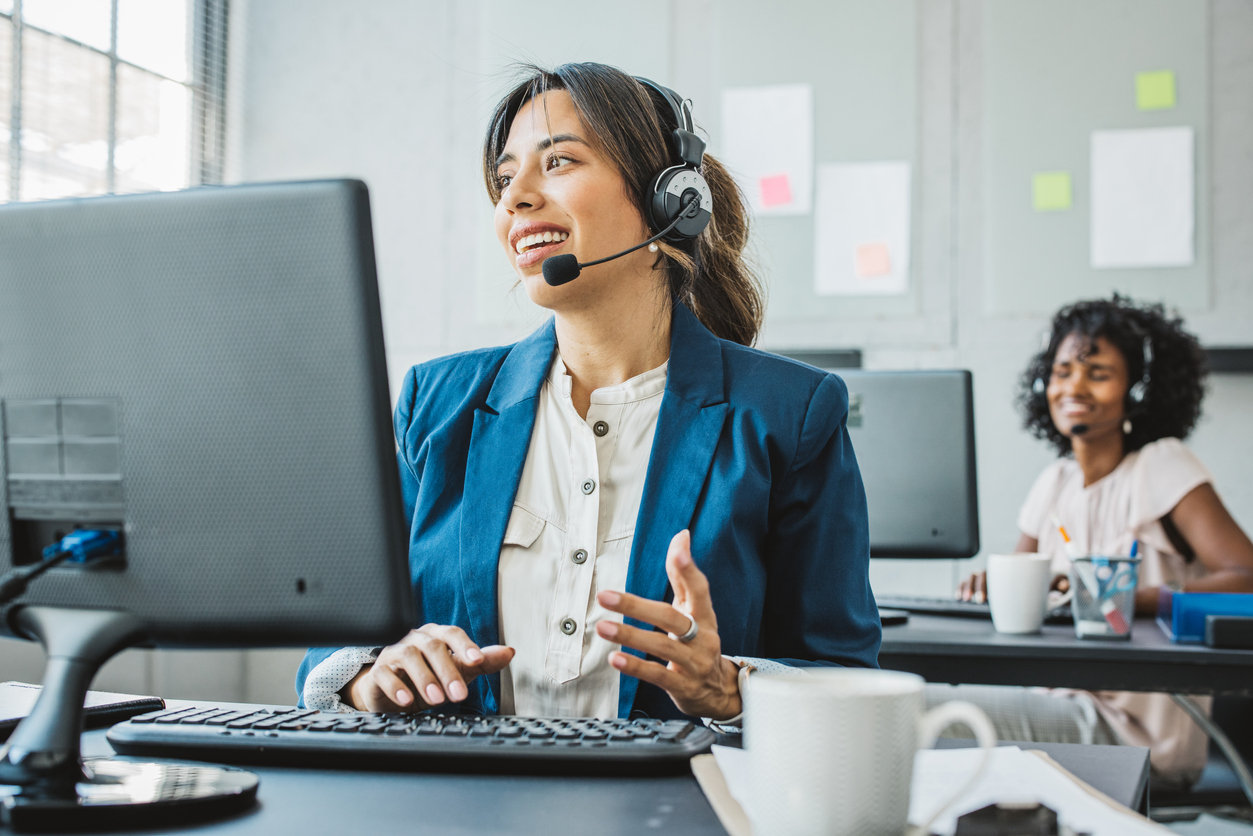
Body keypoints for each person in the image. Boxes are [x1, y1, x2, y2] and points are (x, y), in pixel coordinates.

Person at [295, 63, 880, 724]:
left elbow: (846, 678)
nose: (515, 198)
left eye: (559, 162)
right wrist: (373, 675)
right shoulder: (435, 403)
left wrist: (732, 688)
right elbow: (334, 649)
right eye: (504, 177)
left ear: (669, 203)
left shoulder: (789, 415)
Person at [948, 295, 1253, 785]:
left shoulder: (1161, 465)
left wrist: (1127, 597)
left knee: (929, 713)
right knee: (923, 701)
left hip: (1135, 735)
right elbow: (1025, 592)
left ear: (1138, 391)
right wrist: (993, 587)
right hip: (1055, 701)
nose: (1074, 386)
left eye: (1098, 373)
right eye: (1063, 370)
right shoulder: (1055, 482)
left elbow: (1247, 577)